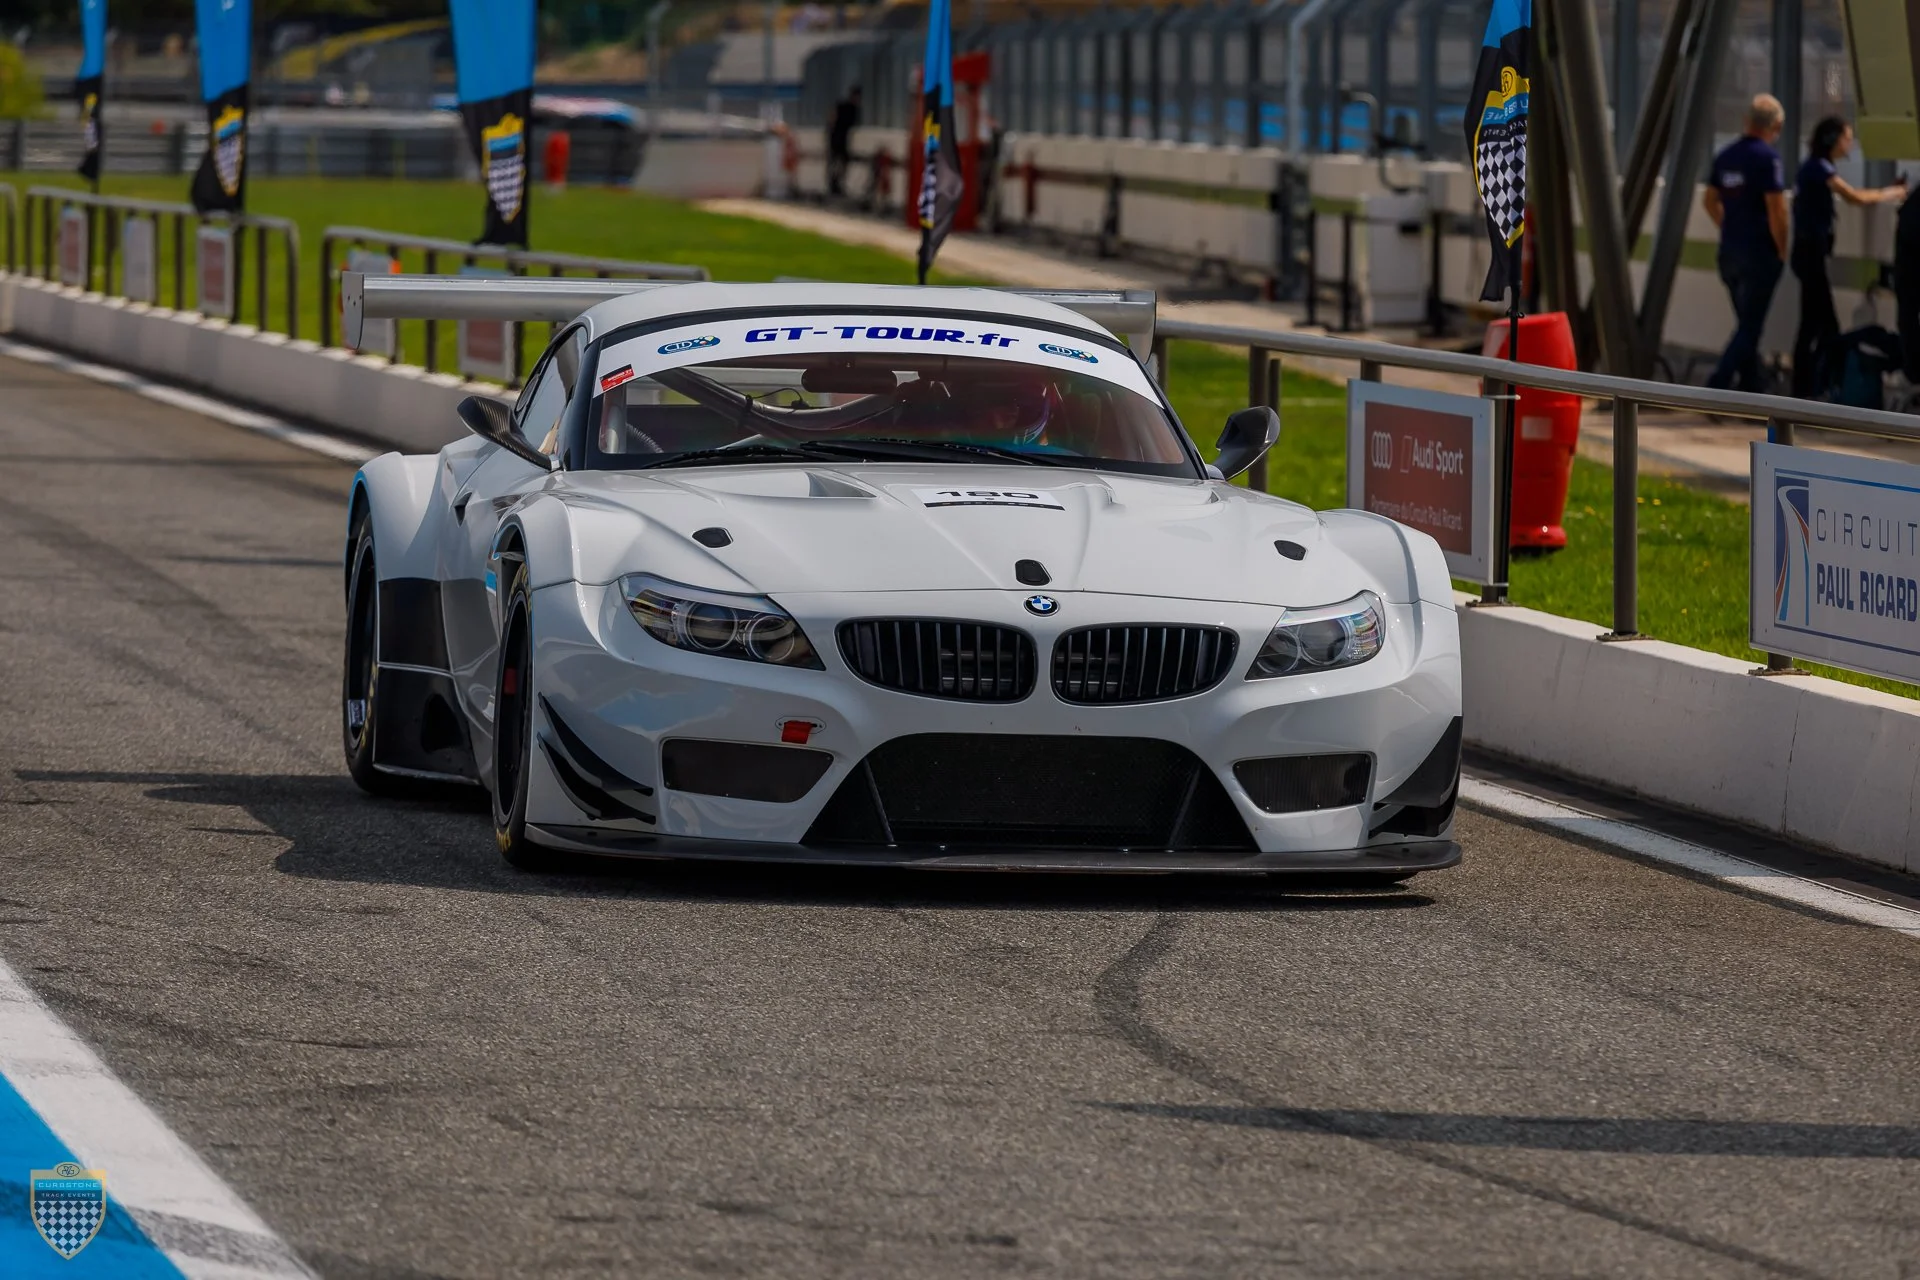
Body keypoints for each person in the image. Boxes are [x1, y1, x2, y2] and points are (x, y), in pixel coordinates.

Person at [1791, 116, 1906, 396]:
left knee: (1811, 324)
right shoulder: (1820, 169)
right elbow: (1854, 197)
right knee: (1825, 326)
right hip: (1811, 255)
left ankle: (1808, 386)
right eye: (1846, 137)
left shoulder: (1814, 167)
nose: (1850, 144)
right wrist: (1893, 193)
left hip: (1807, 254)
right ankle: (1822, 385)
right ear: (1832, 140)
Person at [1702, 95, 1790, 392]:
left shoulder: (1726, 156)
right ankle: (1719, 385)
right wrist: (1781, 247)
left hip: (1729, 252)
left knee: (1745, 324)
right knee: (1750, 327)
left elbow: (1709, 200)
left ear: (1746, 122)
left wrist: (1726, 225)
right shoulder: (1767, 159)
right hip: (1759, 253)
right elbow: (1776, 209)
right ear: (1776, 125)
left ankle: (1752, 386)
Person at [827, 85, 862, 197]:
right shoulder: (850, 108)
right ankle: (835, 184)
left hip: (837, 138)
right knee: (839, 161)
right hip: (839, 139)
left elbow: (832, 118)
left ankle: (835, 183)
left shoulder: (843, 106)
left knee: (839, 162)